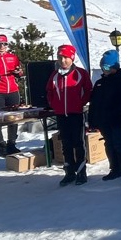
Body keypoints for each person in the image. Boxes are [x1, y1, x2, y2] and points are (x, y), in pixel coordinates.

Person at [46, 44, 92, 187]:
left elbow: (88, 90)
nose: (63, 60)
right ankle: (69, 172)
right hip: (61, 114)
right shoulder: (55, 75)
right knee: (66, 144)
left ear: (72, 58)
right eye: (60, 57)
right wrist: (54, 105)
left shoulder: (80, 73)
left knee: (79, 143)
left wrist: (80, 103)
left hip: (76, 114)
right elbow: (49, 92)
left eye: (66, 57)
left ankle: (81, 172)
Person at [90, 50, 121, 185]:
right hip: (103, 121)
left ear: (114, 67)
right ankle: (115, 168)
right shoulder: (99, 83)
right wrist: (92, 120)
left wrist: (116, 113)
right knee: (109, 144)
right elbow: (94, 103)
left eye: (106, 67)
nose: (104, 70)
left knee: (120, 143)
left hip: (117, 120)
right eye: (102, 67)